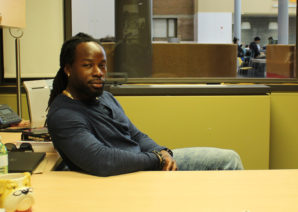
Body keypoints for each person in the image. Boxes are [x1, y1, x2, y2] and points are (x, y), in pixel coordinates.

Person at [46, 33, 244, 177]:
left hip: (144, 163)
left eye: (102, 65)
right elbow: (102, 160)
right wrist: (157, 159)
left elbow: (136, 135)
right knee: (228, 162)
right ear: (68, 69)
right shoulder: (63, 114)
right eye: (88, 65)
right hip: (125, 177)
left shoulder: (105, 98)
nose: (98, 72)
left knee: (230, 158)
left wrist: (163, 152)